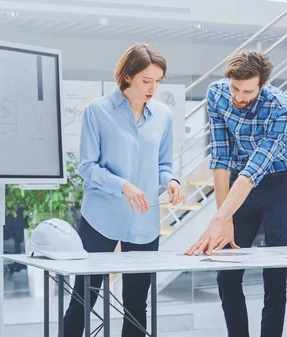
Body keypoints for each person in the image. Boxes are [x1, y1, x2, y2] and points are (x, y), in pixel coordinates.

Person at [64, 43, 186, 337]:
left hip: (144, 222)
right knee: (84, 298)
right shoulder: (98, 111)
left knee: (136, 303)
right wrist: (124, 186)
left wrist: (171, 182)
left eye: (158, 81)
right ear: (128, 76)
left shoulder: (163, 115)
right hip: (101, 217)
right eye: (147, 80)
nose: (152, 88)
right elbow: (87, 167)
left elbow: (164, 164)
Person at [185, 50, 287, 337]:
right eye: (235, 87)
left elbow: (255, 170)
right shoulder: (217, 94)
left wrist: (221, 218)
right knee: (226, 272)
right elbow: (221, 156)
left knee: (275, 275)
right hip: (238, 185)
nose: (239, 96)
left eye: (248, 90)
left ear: (262, 84)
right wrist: (223, 218)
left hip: (279, 185)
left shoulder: (281, 107)